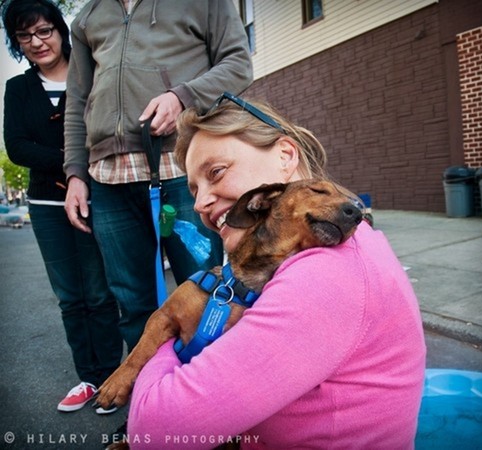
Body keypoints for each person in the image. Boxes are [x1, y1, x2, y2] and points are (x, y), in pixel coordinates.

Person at [127, 94, 427, 449]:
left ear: (285, 156)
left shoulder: (326, 274)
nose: (199, 203)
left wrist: (170, 326)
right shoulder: (332, 247)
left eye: (216, 172)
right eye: (194, 188)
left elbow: (155, 433)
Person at [63, 0, 253, 354]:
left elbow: (239, 65)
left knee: (204, 292)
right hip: (107, 179)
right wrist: (75, 172)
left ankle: (213, 394)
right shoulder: (87, 16)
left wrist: (183, 97)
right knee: (132, 302)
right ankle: (153, 397)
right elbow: (77, 99)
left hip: (182, 170)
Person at [2, 0, 123, 414]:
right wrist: (70, 159)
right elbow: (17, 147)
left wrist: (80, 169)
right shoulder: (18, 89)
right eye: (24, 36)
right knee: (70, 296)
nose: (36, 42)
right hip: (45, 203)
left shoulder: (90, 72)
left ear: (59, 29)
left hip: (97, 195)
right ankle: (88, 377)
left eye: (43, 31)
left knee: (100, 291)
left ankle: (111, 377)